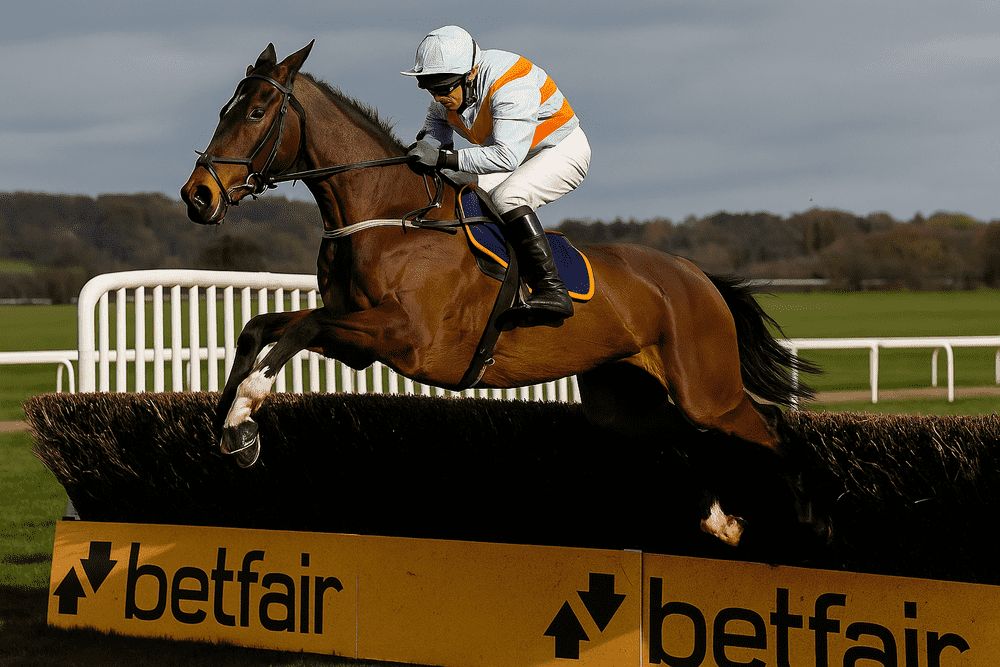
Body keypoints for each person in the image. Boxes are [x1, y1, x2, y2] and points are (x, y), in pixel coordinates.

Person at [402, 25, 591, 328]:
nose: (438, 97)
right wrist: (426, 150)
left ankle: (552, 289)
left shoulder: (511, 86)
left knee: (508, 197)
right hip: (515, 154)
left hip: (561, 149)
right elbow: (436, 133)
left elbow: (506, 157)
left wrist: (444, 158)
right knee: (461, 195)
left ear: (471, 74)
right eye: (430, 88)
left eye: (444, 88)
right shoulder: (449, 90)